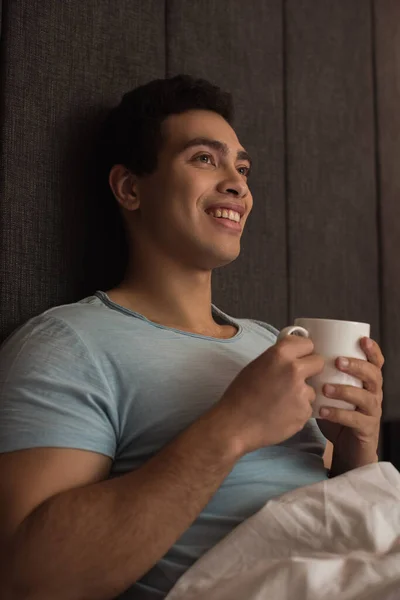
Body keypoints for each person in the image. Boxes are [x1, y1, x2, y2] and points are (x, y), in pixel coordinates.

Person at [0, 74, 384, 600]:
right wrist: (232, 426)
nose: (237, 184)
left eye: (242, 168)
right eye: (205, 159)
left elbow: (323, 510)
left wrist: (355, 453)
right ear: (130, 188)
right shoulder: (68, 343)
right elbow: (28, 579)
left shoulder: (269, 342)